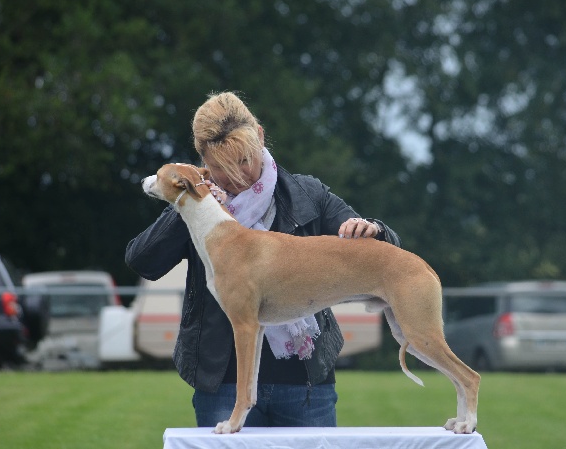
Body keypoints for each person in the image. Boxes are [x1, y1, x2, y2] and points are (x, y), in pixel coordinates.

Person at [125, 91, 401, 428]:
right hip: (221, 382)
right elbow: (143, 261)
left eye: (243, 160)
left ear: (260, 136)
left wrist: (374, 229)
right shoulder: (196, 201)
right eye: (220, 168)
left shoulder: (307, 193)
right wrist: (188, 204)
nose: (236, 176)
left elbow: (383, 250)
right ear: (203, 162)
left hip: (307, 383)